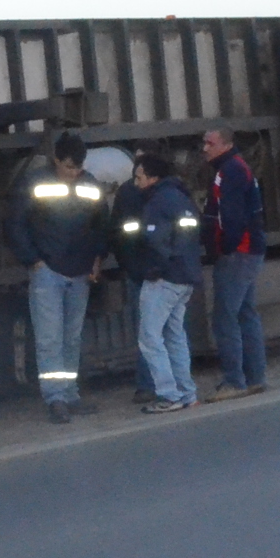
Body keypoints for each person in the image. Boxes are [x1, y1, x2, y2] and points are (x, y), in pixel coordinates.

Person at [6, 131, 109, 422]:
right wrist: (34, 261)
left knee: (71, 338)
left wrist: (98, 257)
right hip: (49, 271)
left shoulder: (89, 183)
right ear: (56, 160)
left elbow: (102, 223)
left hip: (77, 271)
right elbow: (15, 224)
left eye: (78, 167)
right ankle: (56, 398)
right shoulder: (35, 182)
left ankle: (69, 395)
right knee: (50, 339)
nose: (73, 173)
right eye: (68, 167)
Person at [117, 152, 202, 412]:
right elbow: (188, 234)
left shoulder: (157, 202)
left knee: (150, 338)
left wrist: (153, 268)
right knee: (175, 336)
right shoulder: (179, 196)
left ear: (153, 178)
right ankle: (186, 393)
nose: (136, 183)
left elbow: (155, 240)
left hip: (164, 279)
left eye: (139, 177)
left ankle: (168, 395)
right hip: (184, 277)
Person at [200, 127, 267, 398]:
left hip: (238, 253)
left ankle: (234, 381)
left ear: (226, 145)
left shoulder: (230, 171)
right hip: (248, 251)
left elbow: (230, 216)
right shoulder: (235, 168)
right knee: (245, 313)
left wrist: (224, 248)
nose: (205, 148)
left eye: (210, 143)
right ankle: (255, 377)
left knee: (225, 318)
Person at [107, 171, 158, 403]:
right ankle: (164, 385)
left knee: (155, 331)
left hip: (153, 273)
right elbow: (117, 232)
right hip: (146, 272)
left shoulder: (166, 192)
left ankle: (158, 385)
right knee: (160, 331)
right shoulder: (130, 192)